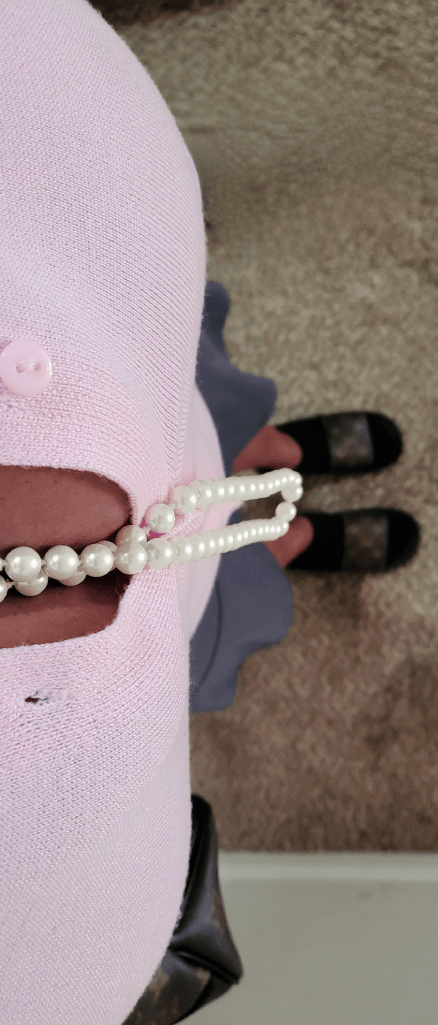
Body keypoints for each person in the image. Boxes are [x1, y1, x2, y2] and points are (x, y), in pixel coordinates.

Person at [0, 2, 420, 1024]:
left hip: (138, 380)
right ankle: (282, 538)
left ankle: (261, 470)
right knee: (228, 574)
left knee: (207, 438)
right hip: (163, 621)